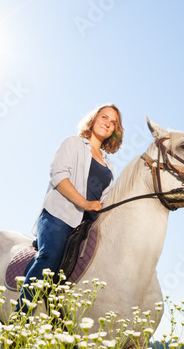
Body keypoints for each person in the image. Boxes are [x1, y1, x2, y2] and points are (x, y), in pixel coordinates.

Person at [16, 104, 123, 313]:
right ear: (93, 119)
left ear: (114, 131)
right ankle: (17, 323)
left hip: (87, 225)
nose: (108, 123)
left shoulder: (110, 167)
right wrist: (84, 203)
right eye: (104, 117)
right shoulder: (73, 143)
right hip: (59, 216)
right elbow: (58, 175)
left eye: (113, 123)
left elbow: (106, 201)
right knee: (51, 256)